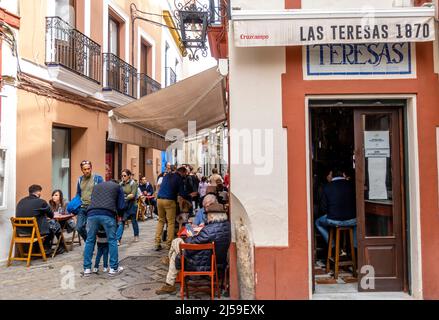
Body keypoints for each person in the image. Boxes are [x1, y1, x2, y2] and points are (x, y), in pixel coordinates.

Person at [155, 203, 231, 295]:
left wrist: (191, 235)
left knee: (176, 243)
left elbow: (190, 243)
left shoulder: (208, 230)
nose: (206, 217)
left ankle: (169, 282)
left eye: (207, 215)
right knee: (177, 247)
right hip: (216, 261)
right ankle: (169, 280)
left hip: (200, 263)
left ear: (211, 215)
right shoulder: (227, 226)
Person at [83, 180, 125, 276]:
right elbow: (121, 205)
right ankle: (113, 268)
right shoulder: (118, 187)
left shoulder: (97, 186)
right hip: (107, 214)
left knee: (89, 240)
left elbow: (92, 200)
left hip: (91, 214)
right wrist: (120, 216)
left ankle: (87, 269)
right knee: (112, 240)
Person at [315, 168, 357, 248]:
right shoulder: (351, 185)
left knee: (317, 222)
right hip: (352, 220)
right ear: (344, 174)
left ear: (330, 175)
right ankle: (354, 247)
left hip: (333, 220)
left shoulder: (327, 187)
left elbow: (323, 208)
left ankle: (333, 245)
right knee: (360, 223)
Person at [16, 185, 60, 254]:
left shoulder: (21, 201)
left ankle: (41, 248)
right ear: (39, 193)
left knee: (46, 225)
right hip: (34, 231)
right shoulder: (41, 202)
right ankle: (48, 248)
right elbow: (51, 215)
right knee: (54, 224)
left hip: (20, 231)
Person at [154, 166, 188, 251]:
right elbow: (182, 193)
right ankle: (169, 244)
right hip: (169, 201)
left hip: (159, 200)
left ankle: (157, 243)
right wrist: (189, 195)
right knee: (171, 223)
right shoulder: (179, 178)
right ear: (182, 172)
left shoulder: (167, 175)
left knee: (161, 220)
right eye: (185, 173)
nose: (185, 175)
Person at [74, 160, 104, 242]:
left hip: (93, 207)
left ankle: (89, 246)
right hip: (82, 207)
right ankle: (89, 243)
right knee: (79, 227)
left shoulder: (98, 178)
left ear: (91, 168)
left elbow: (103, 192)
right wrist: (75, 203)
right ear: (82, 170)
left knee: (92, 229)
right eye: (85, 169)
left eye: (88, 168)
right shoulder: (80, 179)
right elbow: (78, 193)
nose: (87, 171)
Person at [116, 169, 139, 244]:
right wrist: (124, 197)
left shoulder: (133, 183)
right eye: (122, 176)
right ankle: (118, 239)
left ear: (129, 176)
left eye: (125, 175)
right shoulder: (120, 184)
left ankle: (136, 235)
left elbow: (133, 195)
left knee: (133, 221)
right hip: (124, 205)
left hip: (132, 205)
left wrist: (124, 197)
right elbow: (118, 193)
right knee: (122, 221)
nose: (123, 177)